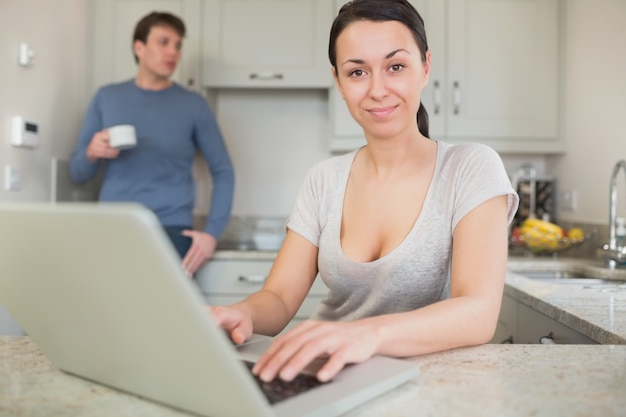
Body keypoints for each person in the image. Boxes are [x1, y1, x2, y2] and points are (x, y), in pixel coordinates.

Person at [212, 0, 519, 384]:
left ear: (424, 68)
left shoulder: (469, 167)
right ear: (339, 82)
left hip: (424, 383)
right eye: (357, 72)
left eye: (395, 66)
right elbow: (278, 299)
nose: (377, 89)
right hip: (320, 376)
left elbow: (478, 313)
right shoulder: (324, 178)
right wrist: (243, 314)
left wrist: (366, 335)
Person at [69, 12, 235, 276]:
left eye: (178, 45)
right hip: (111, 227)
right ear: (139, 47)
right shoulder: (106, 97)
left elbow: (224, 172)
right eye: (164, 42)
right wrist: (91, 153)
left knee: (162, 315)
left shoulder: (193, 105)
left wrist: (211, 235)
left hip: (170, 232)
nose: (173, 52)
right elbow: (77, 174)